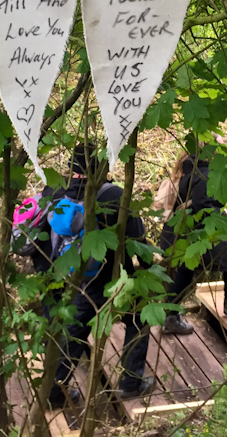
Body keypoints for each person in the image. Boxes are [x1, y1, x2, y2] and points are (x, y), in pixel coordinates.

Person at [47, 145, 154, 406]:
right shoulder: (114, 195)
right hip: (111, 278)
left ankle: (52, 393)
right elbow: (137, 236)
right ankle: (130, 382)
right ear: (101, 168)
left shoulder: (57, 195)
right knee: (139, 317)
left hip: (73, 277)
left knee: (74, 331)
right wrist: (148, 266)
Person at [157, 150, 227, 336]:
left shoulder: (192, 171)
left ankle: (173, 316)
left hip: (186, 230)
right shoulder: (205, 175)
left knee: (187, 272)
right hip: (198, 231)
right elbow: (203, 205)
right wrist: (220, 223)